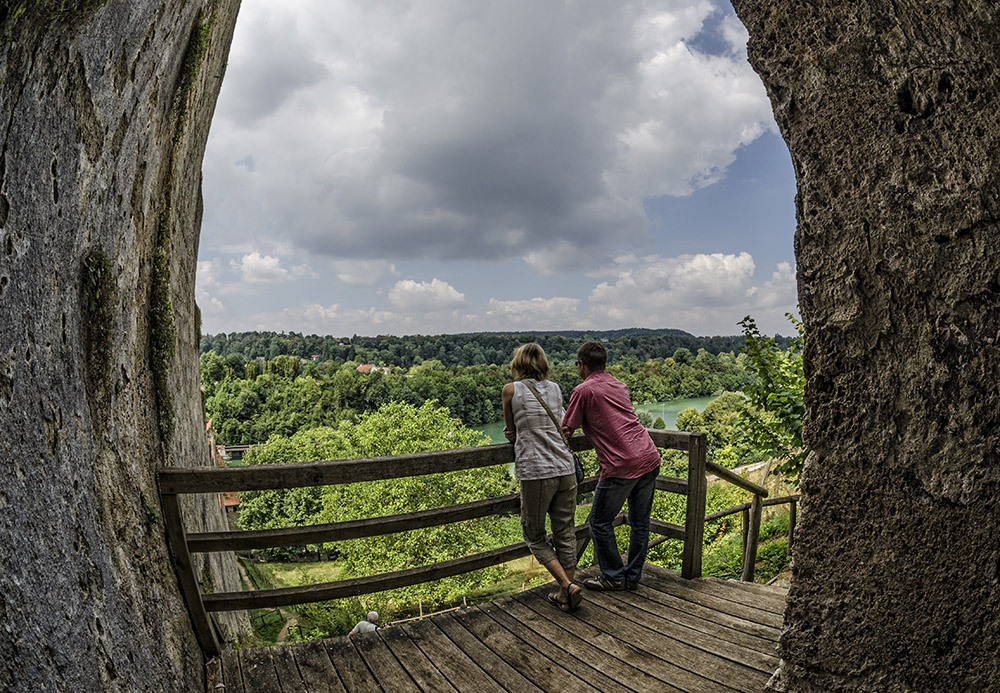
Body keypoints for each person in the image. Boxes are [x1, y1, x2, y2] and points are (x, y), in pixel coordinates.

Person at [562, 341, 661, 591]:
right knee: (640, 523)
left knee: (599, 522)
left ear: (582, 365)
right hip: (648, 456)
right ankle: (632, 577)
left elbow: (565, 431)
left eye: (577, 365)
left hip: (621, 465)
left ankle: (614, 576)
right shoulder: (619, 384)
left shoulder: (583, 391)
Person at [502, 343, 583, 612]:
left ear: (518, 364)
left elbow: (511, 433)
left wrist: (514, 433)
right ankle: (565, 596)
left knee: (534, 535)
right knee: (565, 531)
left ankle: (567, 587)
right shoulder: (557, 388)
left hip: (537, 471)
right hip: (565, 467)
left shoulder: (510, 391)